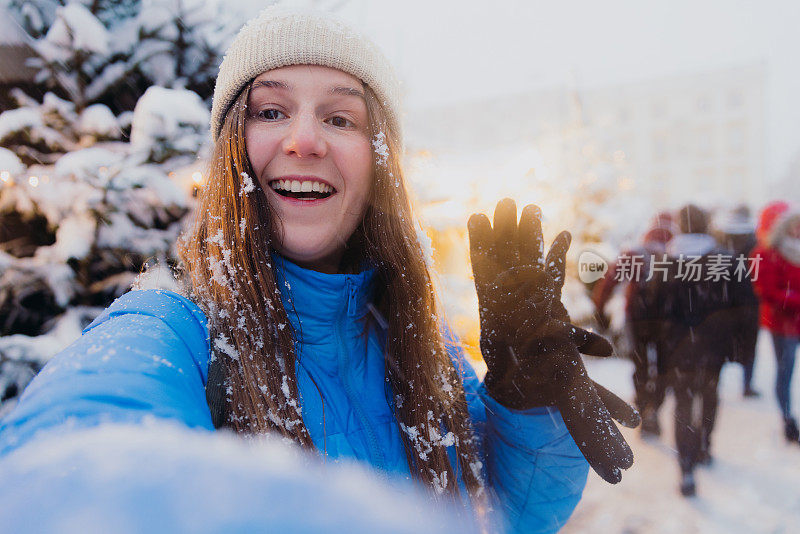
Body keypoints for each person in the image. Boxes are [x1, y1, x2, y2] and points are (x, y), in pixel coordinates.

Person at [0, 7, 638, 533]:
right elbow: (69, 462)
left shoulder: (420, 344)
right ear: (231, 153)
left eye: (341, 117)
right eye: (271, 111)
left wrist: (524, 403)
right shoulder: (172, 332)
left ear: (378, 163)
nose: (304, 140)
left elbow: (509, 514)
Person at [659, 204, 740, 497]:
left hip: (678, 348)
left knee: (682, 404)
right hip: (713, 347)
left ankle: (686, 466)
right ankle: (705, 443)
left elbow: (656, 310)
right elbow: (739, 308)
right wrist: (738, 347)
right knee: (709, 395)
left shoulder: (666, 260)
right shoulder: (726, 259)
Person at [592, 211, 676, 437]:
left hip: (637, 317)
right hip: (665, 321)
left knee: (640, 365)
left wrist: (600, 310)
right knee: (662, 367)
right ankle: (654, 409)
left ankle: (642, 405)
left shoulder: (635, 253)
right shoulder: (676, 253)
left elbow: (609, 281)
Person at [752, 201, 800, 444]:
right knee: (786, 372)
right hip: (784, 325)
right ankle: (788, 419)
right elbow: (768, 292)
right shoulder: (765, 253)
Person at [712, 205, 761, 398]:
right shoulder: (754, 239)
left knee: (721, 344)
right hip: (748, 299)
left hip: (724, 301)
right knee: (749, 345)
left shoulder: (720, 238)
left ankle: (716, 383)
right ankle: (747, 385)